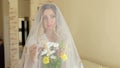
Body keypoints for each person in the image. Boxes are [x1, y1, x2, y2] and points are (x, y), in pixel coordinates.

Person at [18, 3, 84, 68]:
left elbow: (69, 64)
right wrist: (31, 58)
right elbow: (27, 65)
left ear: (57, 18)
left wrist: (62, 57)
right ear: (41, 20)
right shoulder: (34, 40)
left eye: (52, 16)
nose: (49, 21)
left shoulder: (64, 39)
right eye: (45, 18)